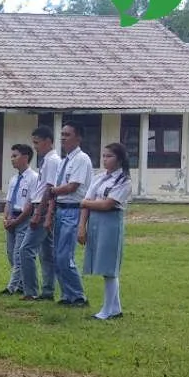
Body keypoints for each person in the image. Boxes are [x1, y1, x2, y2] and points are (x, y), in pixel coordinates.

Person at [80, 142, 132, 321]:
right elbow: (88, 200)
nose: (105, 159)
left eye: (109, 156)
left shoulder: (124, 180)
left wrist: (87, 203)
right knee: (102, 265)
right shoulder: (99, 177)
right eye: (103, 156)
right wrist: (82, 227)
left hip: (110, 223)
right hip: (95, 222)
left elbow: (107, 204)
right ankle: (114, 308)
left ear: (119, 159)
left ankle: (108, 309)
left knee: (109, 267)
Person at [52, 122, 95, 307]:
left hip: (73, 209)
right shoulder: (65, 161)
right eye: (62, 134)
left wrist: (52, 191)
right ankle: (67, 295)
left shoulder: (81, 159)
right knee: (56, 255)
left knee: (64, 255)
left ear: (78, 137)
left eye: (67, 134)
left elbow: (72, 186)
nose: (63, 138)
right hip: (61, 208)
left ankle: (78, 296)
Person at [20, 126, 62, 301]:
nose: (35, 147)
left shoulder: (52, 160)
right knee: (46, 252)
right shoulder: (47, 160)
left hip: (43, 208)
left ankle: (31, 290)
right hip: (42, 206)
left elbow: (49, 188)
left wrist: (39, 212)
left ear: (47, 141)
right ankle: (47, 290)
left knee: (26, 249)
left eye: (37, 143)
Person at [0, 144, 38, 297]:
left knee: (18, 253)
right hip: (12, 217)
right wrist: (6, 218)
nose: (12, 159)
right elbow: (9, 201)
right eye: (12, 156)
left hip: (24, 218)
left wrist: (18, 220)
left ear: (25, 157)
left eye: (15, 156)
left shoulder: (33, 178)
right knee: (10, 253)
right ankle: (21, 284)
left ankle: (12, 287)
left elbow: (30, 204)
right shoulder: (14, 179)